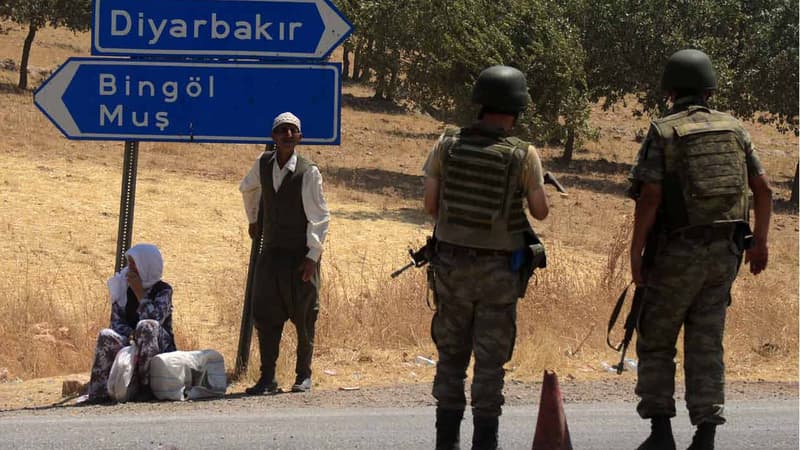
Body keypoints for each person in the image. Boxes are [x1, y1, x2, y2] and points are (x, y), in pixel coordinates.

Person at [628, 49, 772, 450]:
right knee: (706, 342)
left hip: (677, 252)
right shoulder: (735, 129)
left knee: (656, 339)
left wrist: (636, 253)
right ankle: (705, 435)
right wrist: (759, 243)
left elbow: (650, 197)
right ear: (710, 88)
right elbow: (763, 189)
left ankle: (660, 434)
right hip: (724, 254)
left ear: (670, 88)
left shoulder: (664, 130)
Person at [422, 65, 549, 450]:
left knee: (451, 357)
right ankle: (484, 443)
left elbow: (431, 206)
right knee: (490, 362)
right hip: (498, 272)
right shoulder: (523, 155)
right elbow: (540, 213)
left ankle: (446, 442)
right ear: (517, 109)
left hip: (450, 268)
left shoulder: (446, 144)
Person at [239, 112, 330, 395]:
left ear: (300, 137)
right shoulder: (263, 164)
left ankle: (303, 376)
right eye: (282, 130)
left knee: (304, 317)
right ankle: (267, 378)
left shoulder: (308, 171)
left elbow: (320, 216)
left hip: (299, 256)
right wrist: (254, 219)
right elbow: (247, 188)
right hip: (272, 253)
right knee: (265, 314)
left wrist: (312, 256)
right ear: (273, 137)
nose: (287, 135)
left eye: (293, 131)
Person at [80, 243, 176, 404]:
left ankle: (146, 389)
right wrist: (131, 335)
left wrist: (140, 294)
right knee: (106, 334)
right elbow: (116, 321)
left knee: (146, 326)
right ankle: (98, 392)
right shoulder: (123, 288)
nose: (130, 268)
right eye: (129, 263)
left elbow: (156, 318)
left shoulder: (163, 290)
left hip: (158, 344)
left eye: (134, 264)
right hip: (131, 339)